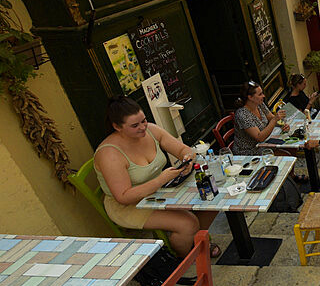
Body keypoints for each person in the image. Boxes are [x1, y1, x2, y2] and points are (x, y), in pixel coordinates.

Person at [94, 98, 219, 257]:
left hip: (158, 191)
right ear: (117, 127)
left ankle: (195, 240)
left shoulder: (151, 130)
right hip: (130, 206)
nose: (142, 127)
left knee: (212, 196)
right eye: (135, 125)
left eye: (144, 120)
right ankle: (186, 258)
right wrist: (161, 179)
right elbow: (124, 197)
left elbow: (184, 149)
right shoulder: (110, 154)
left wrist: (187, 160)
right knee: (188, 223)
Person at [232, 81, 290, 156]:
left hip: (262, 144)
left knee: (289, 147)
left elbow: (270, 117)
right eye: (260, 94)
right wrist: (275, 120)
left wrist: (282, 125)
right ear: (250, 97)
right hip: (248, 151)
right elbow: (259, 137)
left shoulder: (259, 104)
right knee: (286, 154)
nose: (263, 96)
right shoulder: (242, 114)